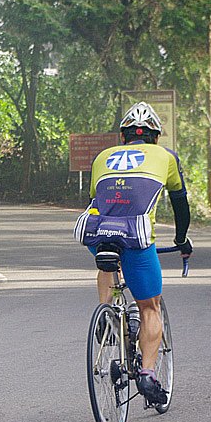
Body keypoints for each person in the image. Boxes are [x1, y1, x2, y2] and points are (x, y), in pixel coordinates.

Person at [75, 101, 192, 405]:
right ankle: (148, 374)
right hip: (137, 238)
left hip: (97, 232)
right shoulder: (167, 157)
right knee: (150, 307)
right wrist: (181, 239)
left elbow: (98, 201)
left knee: (107, 257)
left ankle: (108, 313)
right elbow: (181, 205)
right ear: (155, 136)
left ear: (124, 136)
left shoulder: (103, 157)